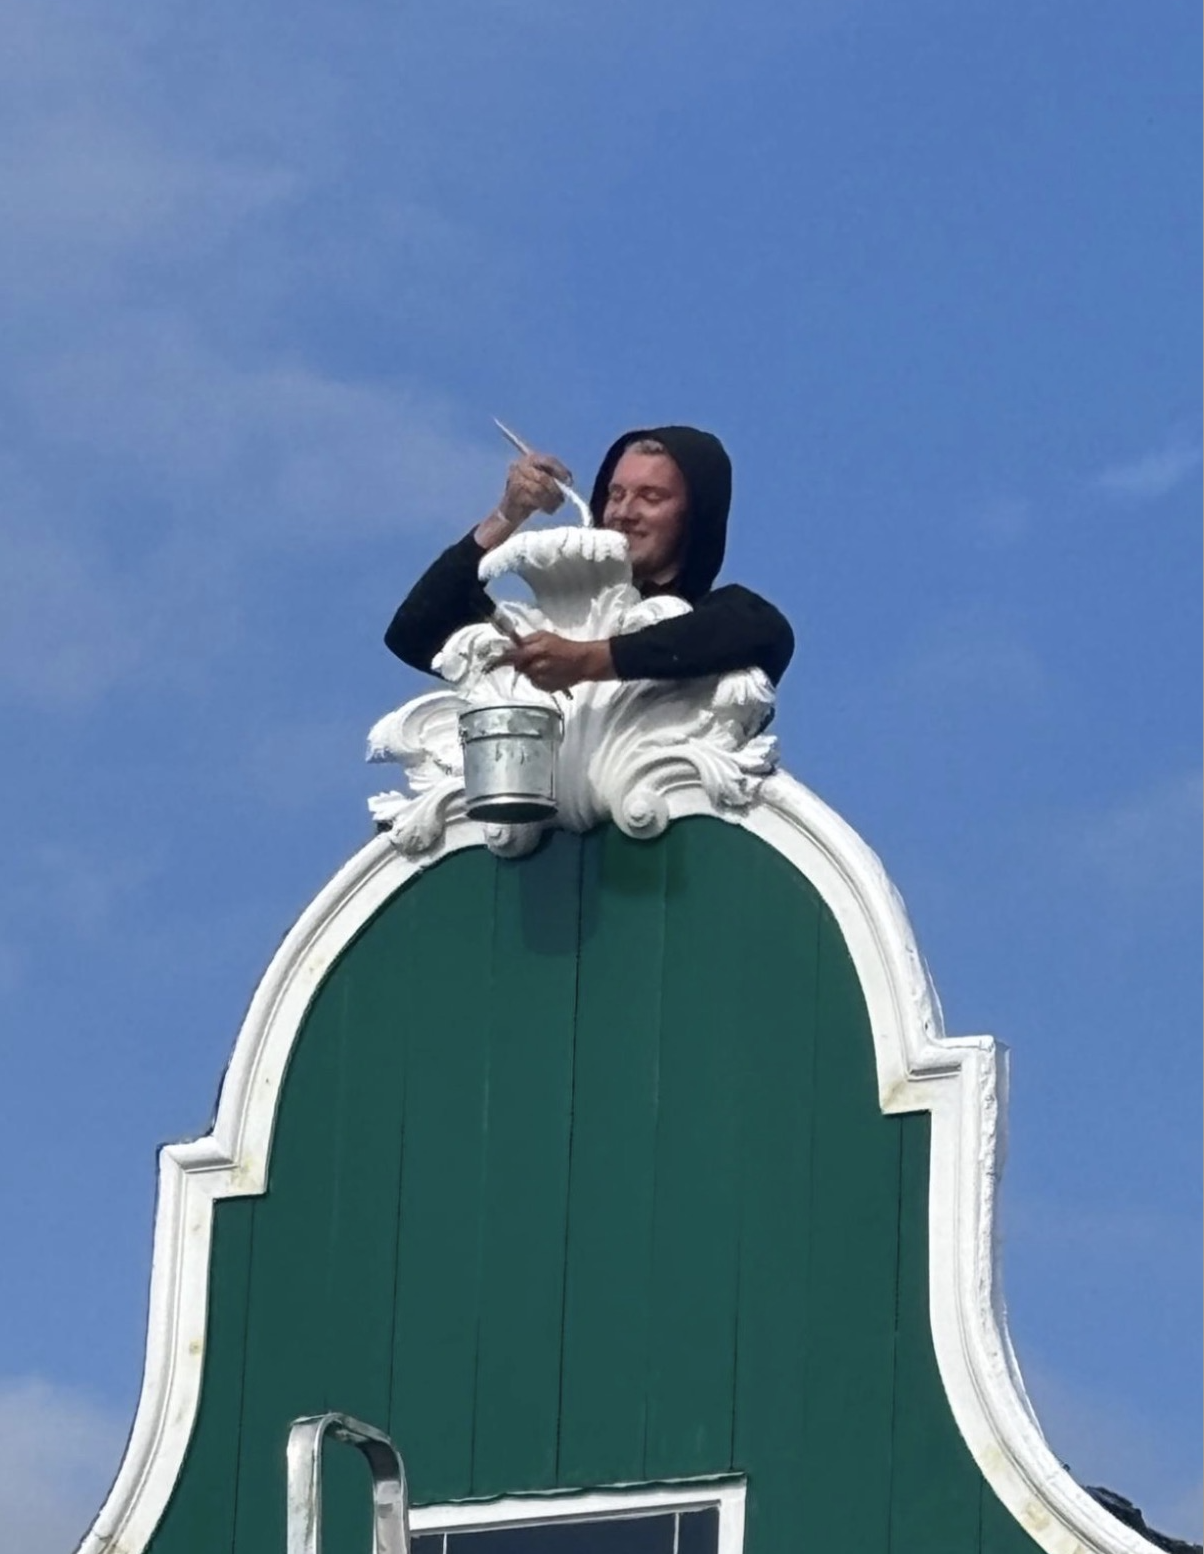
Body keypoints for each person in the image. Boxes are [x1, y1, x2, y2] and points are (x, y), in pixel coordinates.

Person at [384, 425, 794, 695]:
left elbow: (762, 630)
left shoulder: (713, 628)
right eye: (615, 495)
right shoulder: (546, 635)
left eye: (651, 497)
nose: (623, 512)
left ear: (694, 518)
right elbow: (416, 632)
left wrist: (587, 660)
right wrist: (507, 516)